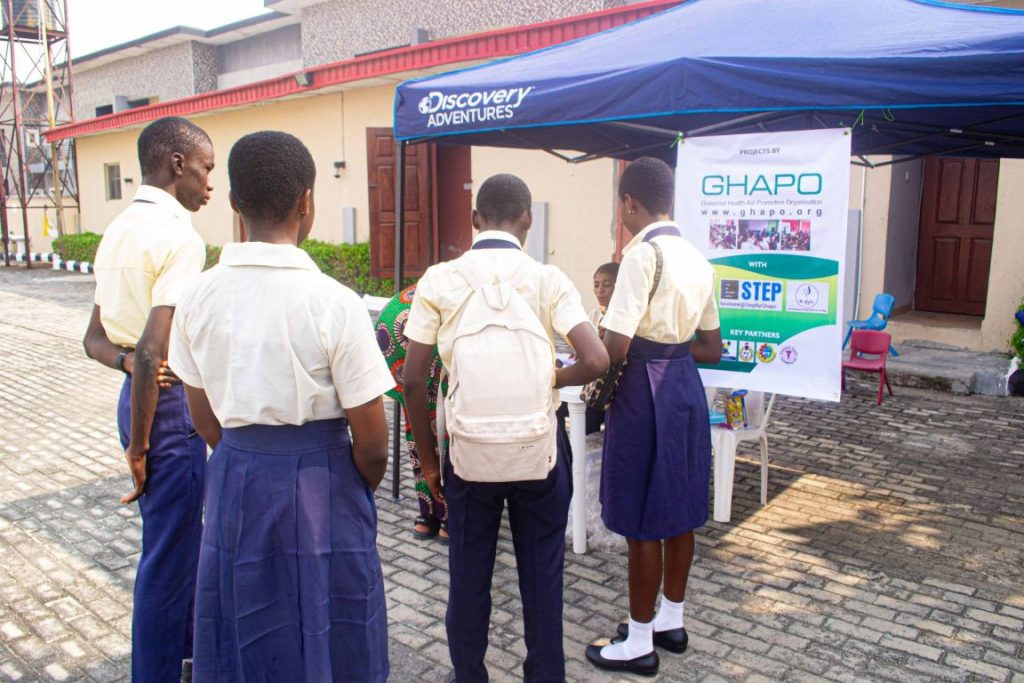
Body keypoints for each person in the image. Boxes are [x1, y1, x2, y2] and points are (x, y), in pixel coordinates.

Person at [168, 131, 394, 681]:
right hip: (325, 485)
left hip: (236, 478)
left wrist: (249, 455)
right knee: (332, 619)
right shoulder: (335, 303)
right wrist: (342, 486)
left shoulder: (196, 297)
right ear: (307, 201)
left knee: (244, 620)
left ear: (233, 203)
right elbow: (372, 443)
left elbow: (203, 417)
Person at [403, 174, 609, 682]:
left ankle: (469, 673)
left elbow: (413, 378)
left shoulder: (440, 279)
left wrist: (429, 464)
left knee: (468, 574)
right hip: (539, 447)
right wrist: (552, 378)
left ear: (475, 220)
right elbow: (597, 359)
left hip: (468, 451)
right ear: (527, 219)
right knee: (543, 573)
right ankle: (544, 673)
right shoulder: (547, 279)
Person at [82, 116, 213, 683]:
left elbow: (95, 340)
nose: (210, 184)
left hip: (135, 398)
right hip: (165, 410)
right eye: (206, 168)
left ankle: (190, 659)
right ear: (177, 164)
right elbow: (155, 348)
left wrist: (128, 363)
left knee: (178, 547)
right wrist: (139, 446)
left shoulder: (118, 230)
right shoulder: (180, 236)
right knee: (168, 559)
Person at [584, 157, 722, 677]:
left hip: (643, 389)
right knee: (679, 509)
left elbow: (615, 348)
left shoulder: (642, 256)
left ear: (629, 203)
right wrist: (673, 349)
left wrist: (577, 366)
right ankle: (671, 621)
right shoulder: (699, 260)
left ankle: (639, 643)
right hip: (684, 387)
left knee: (642, 518)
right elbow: (712, 347)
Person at [375, 285, 449, 541]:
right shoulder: (464, 286)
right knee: (448, 428)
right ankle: (448, 514)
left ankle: (428, 513)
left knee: (416, 421)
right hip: (433, 344)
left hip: (398, 334)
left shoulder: (425, 287)